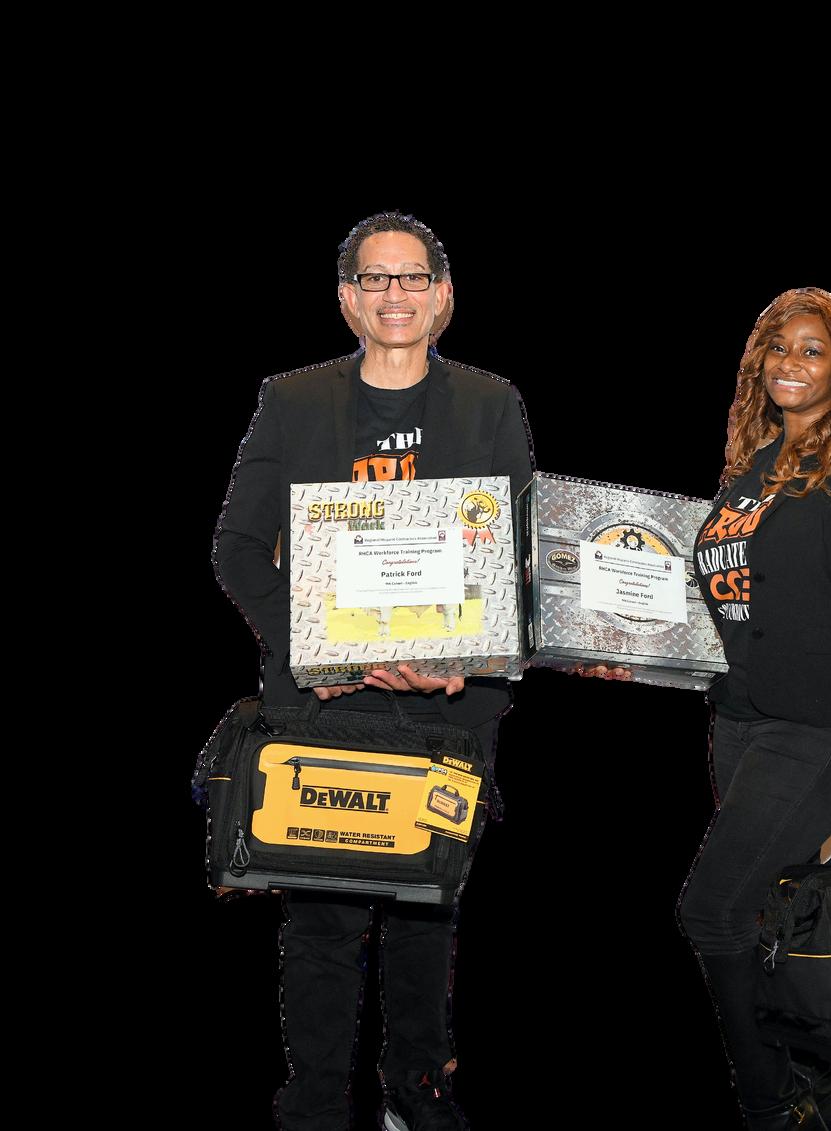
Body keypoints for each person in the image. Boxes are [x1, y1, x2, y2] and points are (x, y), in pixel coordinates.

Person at [213, 211, 533, 1131]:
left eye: (413, 276)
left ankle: (415, 1088)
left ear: (443, 294)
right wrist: (312, 649)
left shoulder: (492, 401)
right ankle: (316, 1100)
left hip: (448, 711)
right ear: (348, 298)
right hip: (325, 706)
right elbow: (237, 548)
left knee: (429, 906)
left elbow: (514, 555)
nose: (396, 294)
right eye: (375, 278)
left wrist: (461, 658)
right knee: (321, 917)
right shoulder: (291, 399)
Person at [678, 288, 831, 1130]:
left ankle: (773, 1103)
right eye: (778, 347)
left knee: (712, 909)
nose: (790, 362)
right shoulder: (748, 472)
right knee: (772, 913)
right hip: (737, 721)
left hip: (813, 729)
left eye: (812, 350)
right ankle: (814, 1081)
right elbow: (715, 604)